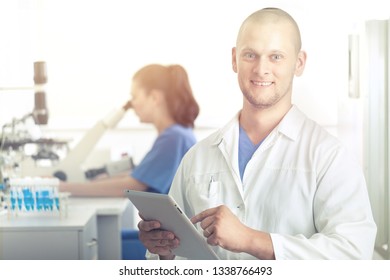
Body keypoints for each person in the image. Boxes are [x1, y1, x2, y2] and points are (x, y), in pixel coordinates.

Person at [138, 7, 377, 260]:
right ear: (234, 59)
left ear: (299, 63)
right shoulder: (198, 157)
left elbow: (353, 254)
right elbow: (166, 263)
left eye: (276, 57)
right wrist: (164, 252)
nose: (261, 69)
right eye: (250, 55)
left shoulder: (329, 156)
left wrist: (251, 240)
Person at [59, 64, 199, 196]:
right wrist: (87, 181)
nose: (132, 104)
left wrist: (63, 187)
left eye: (135, 97)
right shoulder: (178, 134)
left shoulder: (173, 138)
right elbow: (137, 175)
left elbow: (131, 186)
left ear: (154, 98)